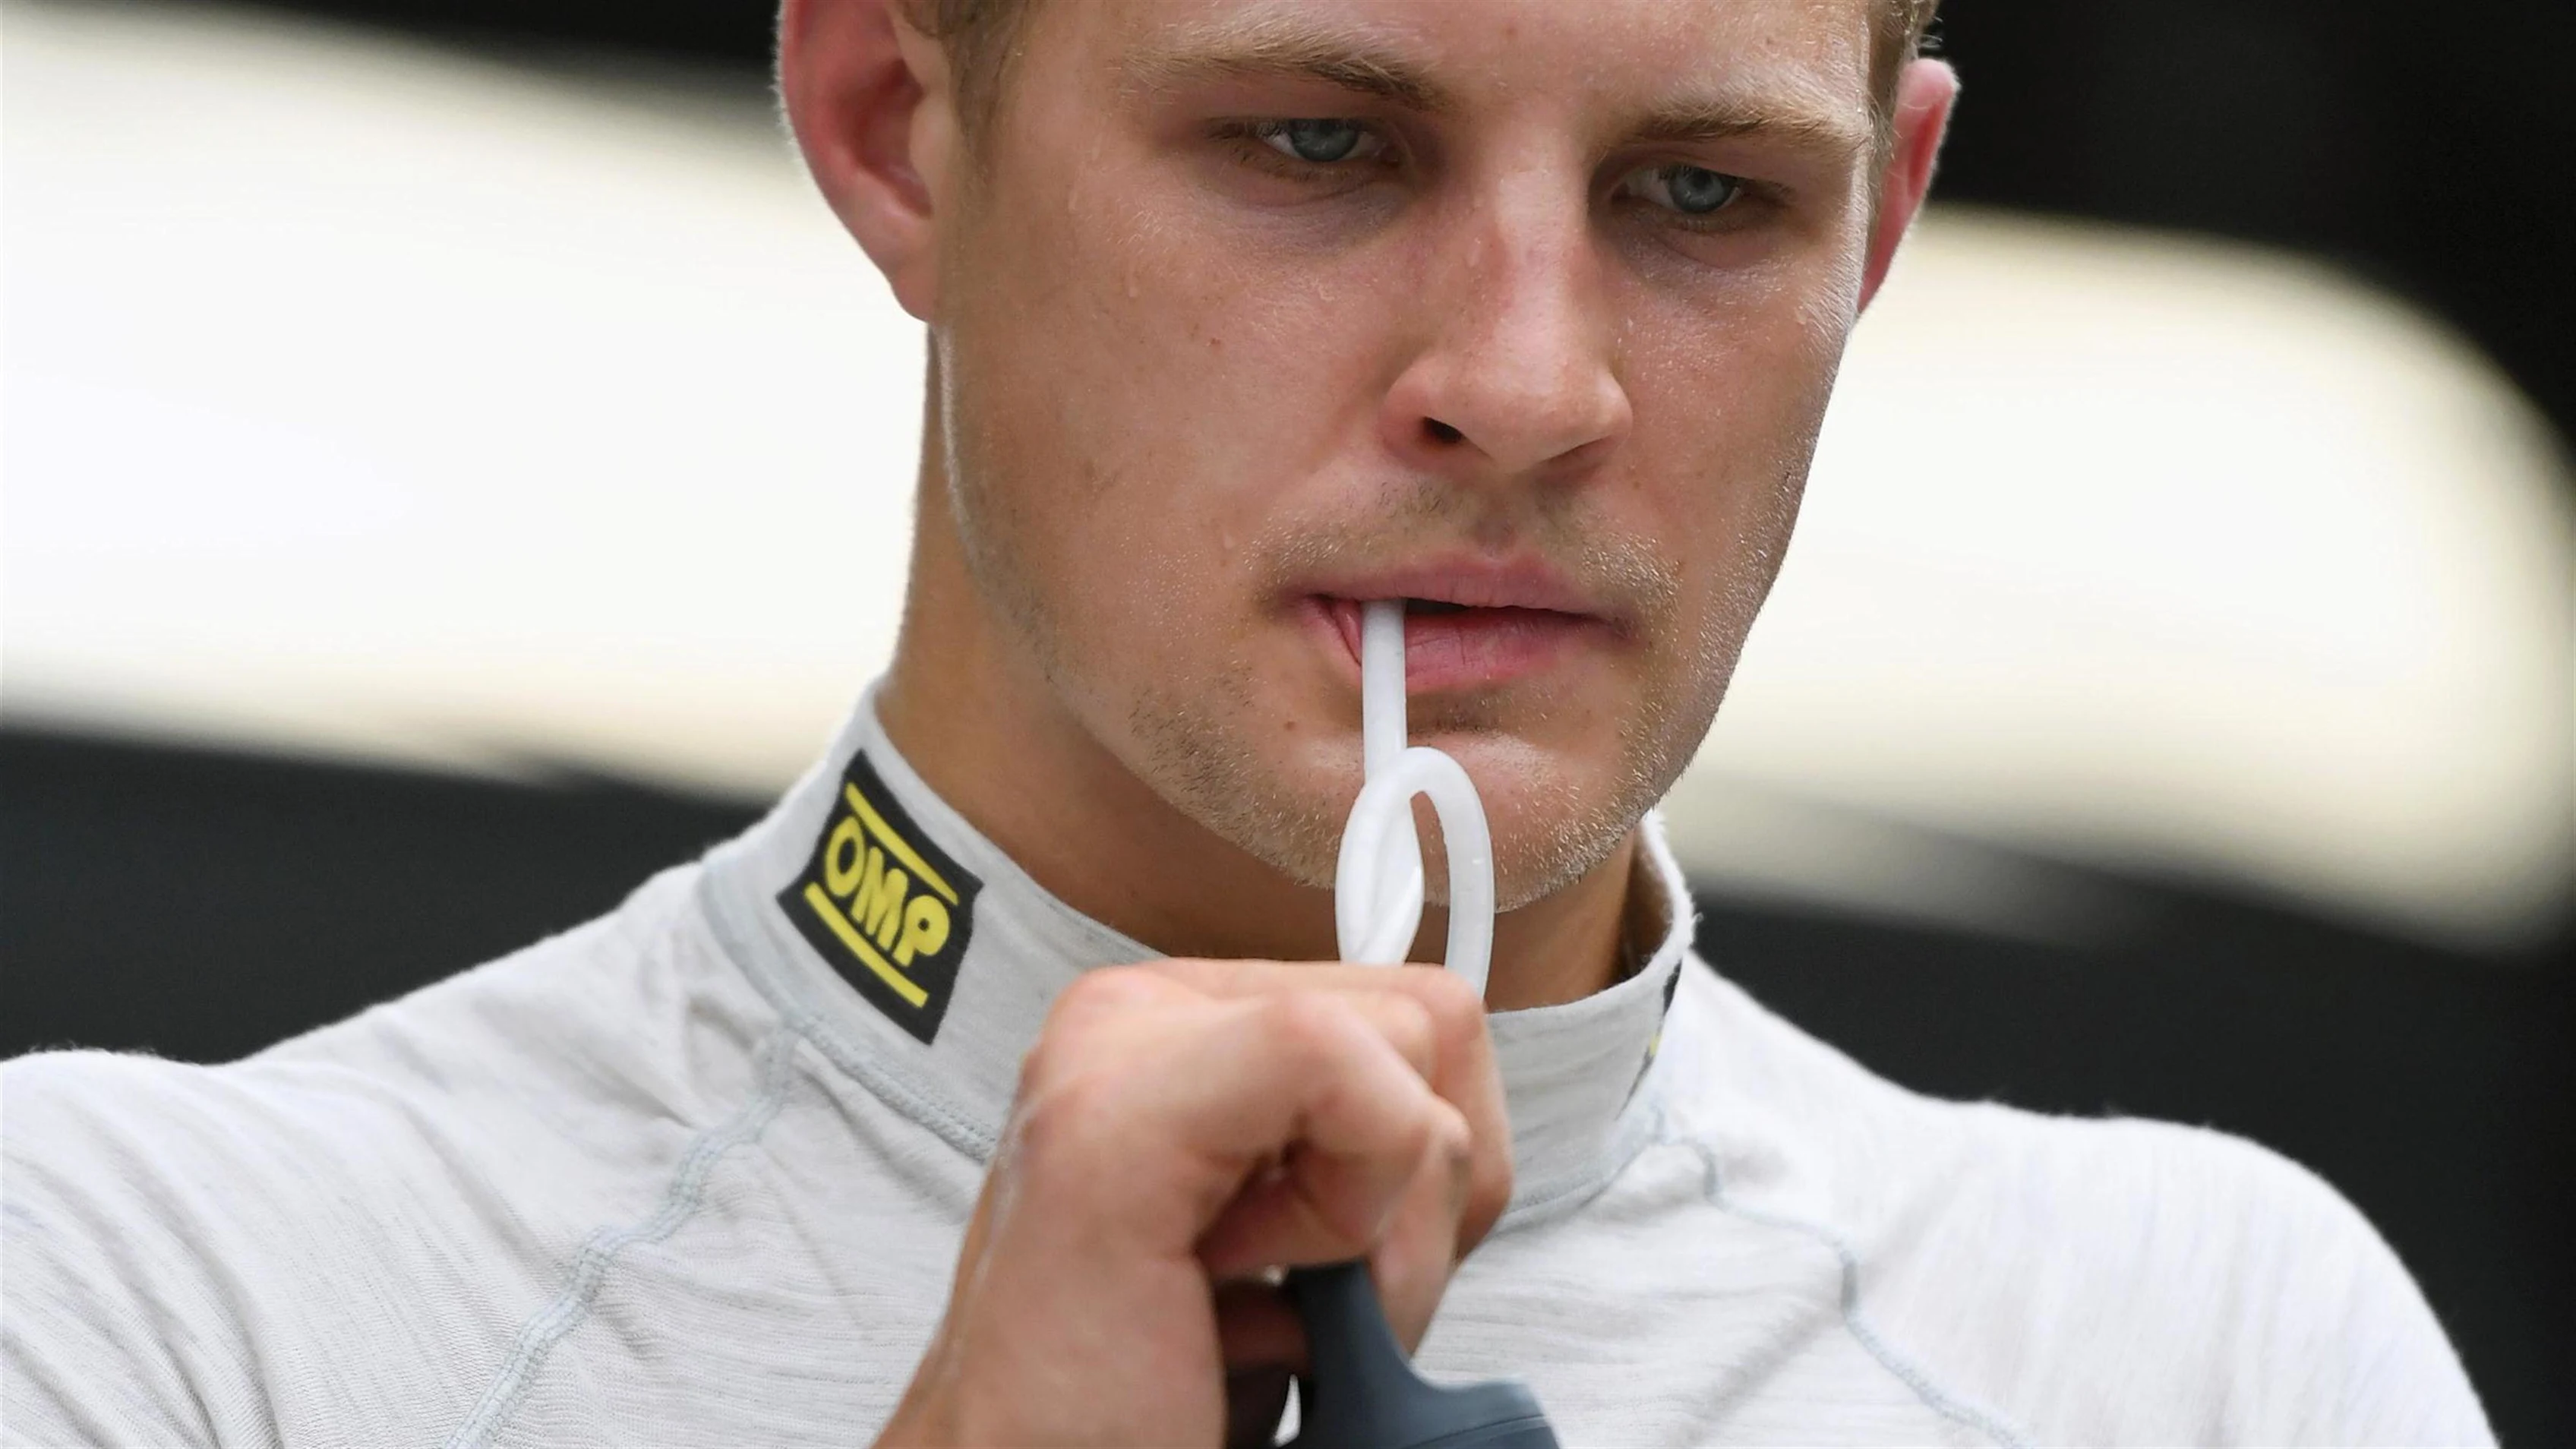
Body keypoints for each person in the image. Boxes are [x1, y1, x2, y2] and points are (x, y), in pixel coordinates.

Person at [1, 0, 2493, 1443]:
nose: (1526, 383)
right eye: (1321, 141)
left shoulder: (2196, 1358)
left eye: (1705, 196)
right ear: (898, 118)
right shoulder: (162, 1301)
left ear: (1884, 220)